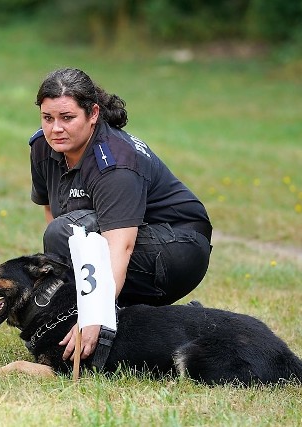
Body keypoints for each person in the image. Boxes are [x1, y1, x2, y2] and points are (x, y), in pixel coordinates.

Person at [28, 67, 212, 369]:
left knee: (67, 233)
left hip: (179, 248)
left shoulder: (116, 164)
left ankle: (101, 335)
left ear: (93, 114)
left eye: (67, 118)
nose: (56, 128)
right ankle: (144, 328)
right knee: (62, 235)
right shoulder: (42, 147)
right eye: (48, 118)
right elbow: (53, 212)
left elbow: (120, 247)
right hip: (134, 242)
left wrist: (93, 315)